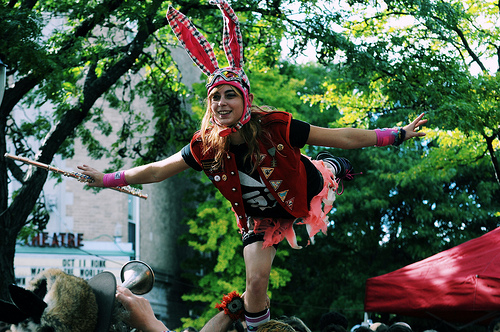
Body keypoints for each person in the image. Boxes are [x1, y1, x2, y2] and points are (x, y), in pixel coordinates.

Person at [79, 1, 428, 329]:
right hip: (259, 217)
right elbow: (156, 170)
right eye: (215, 96)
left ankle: (330, 168)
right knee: (256, 281)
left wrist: (396, 134)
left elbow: (343, 135)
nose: (221, 102)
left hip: (303, 191)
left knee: (327, 170)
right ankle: (258, 331)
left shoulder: (278, 125)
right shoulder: (204, 146)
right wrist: (106, 178)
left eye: (230, 94)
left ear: (245, 98)